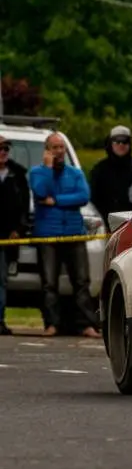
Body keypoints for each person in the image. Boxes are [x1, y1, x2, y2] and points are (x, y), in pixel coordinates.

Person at [29, 133, 101, 338]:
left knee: (81, 282)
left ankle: (86, 325)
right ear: (47, 150)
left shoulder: (75, 173)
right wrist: (48, 169)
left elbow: (83, 196)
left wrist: (57, 200)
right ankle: (51, 324)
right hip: (47, 235)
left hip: (73, 234)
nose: (59, 152)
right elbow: (41, 192)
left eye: (61, 147)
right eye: (54, 147)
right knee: (49, 284)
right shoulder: (37, 173)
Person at [0, 134, 30, 335]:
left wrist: (18, 230)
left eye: (6, 148)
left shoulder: (18, 174)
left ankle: (0, 320)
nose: (3, 152)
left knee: (1, 280)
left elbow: (24, 207)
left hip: (7, 237)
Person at [90, 125, 132, 229]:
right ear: (110, 144)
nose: (121, 145)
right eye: (117, 142)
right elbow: (93, 199)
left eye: (125, 141)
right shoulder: (99, 170)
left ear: (130, 144)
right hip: (107, 225)